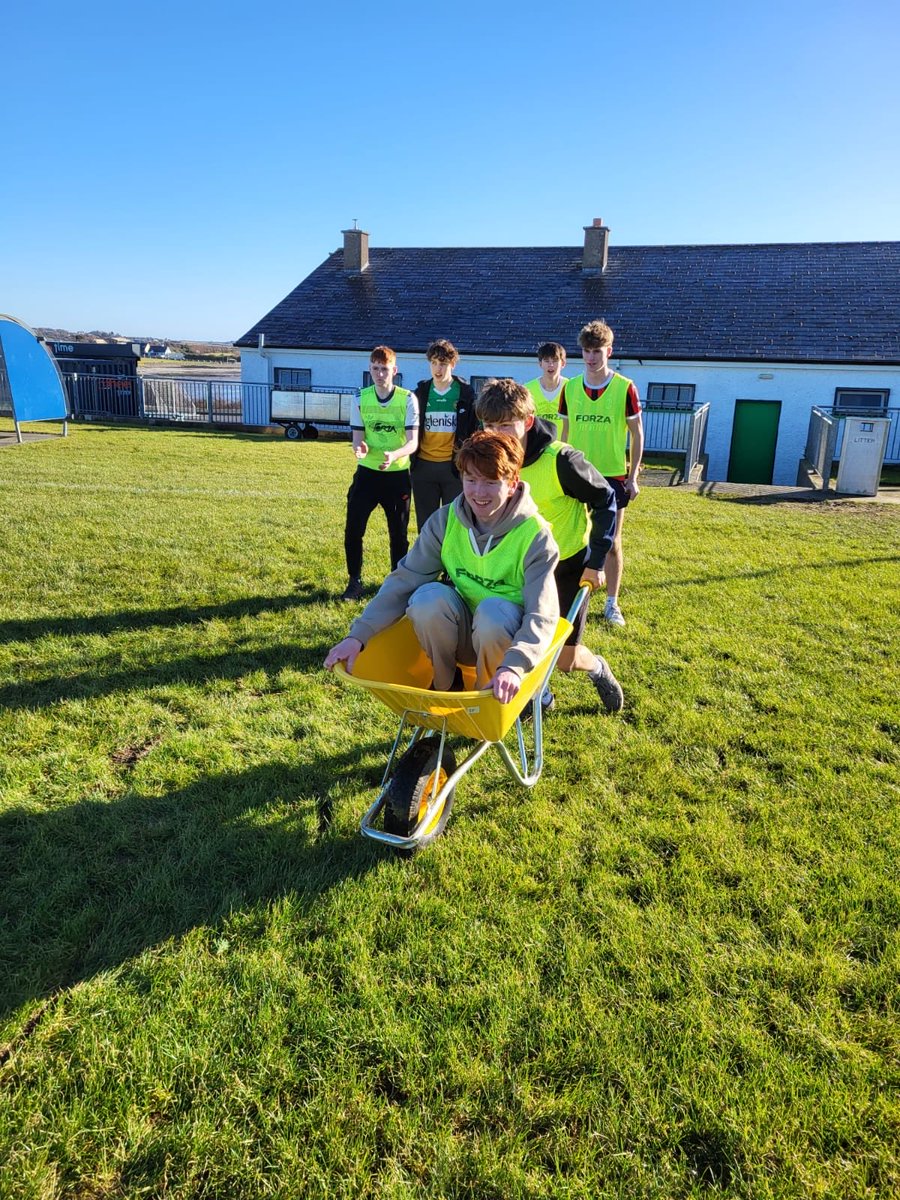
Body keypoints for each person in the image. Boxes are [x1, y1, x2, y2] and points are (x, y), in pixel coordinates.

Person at [325, 431, 560, 704]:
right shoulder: (446, 521)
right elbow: (405, 579)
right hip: (463, 633)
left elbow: (542, 612)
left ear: (512, 483)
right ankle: (446, 684)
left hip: (506, 639)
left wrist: (515, 665)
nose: (479, 492)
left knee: (492, 612)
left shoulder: (535, 536)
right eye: (471, 480)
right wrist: (358, 635)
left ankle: (488, 697)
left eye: (491, 482)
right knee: (426, 597)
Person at [477, 378, 624, 714]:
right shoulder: (487, 459)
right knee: (512, 637)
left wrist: (596, 562)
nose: (497, 434)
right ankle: (538, 697)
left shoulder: (562, 460)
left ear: (528, 421)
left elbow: (605, 500)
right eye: (489, 426)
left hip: (566, 568)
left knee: (564, 658)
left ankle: (597, 667)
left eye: (506, 425)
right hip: (516, 569)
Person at [559, 319, 644, 626]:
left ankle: (612, 603)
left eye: (597, 351)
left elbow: (637, 433)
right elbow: (564, 433)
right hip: (576, 473)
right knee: (571, 538)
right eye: (586, 351)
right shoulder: (569, 387)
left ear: (609, 350)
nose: (591, 357)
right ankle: (568, 595)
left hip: (611, 476)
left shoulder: (624, 387)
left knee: (611, 541)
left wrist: (633, 476)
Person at [340, 346, 419, 601]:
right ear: (369, 369)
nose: (379, 373)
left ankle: (397, 585)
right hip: (367, 474)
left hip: (397, 475)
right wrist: (360, 448)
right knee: (353, 529)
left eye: (384, 369)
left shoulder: (408, 399)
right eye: (375, 368)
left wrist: (394, 455)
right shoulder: (360, 398)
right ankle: (354, 581)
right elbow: (358, 440)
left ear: (394, 370)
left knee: (398, 534)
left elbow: (413, 442)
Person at [409, 339, 478, 529]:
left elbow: (473, 430)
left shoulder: (465, 393)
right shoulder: (421, 392)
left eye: (443, 363)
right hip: (423, 468)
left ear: (452, 364)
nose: (438, 369)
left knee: (455, 523)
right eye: (433, 363)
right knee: (426, 526)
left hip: (454, 468)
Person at [525, 341, 569, 439]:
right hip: (537, 447)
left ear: (563, 363)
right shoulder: (528, 390)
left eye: (555, 360)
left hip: (564, 446)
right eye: (546, 361)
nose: (551, 365)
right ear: (540, 363)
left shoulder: (570, 387)